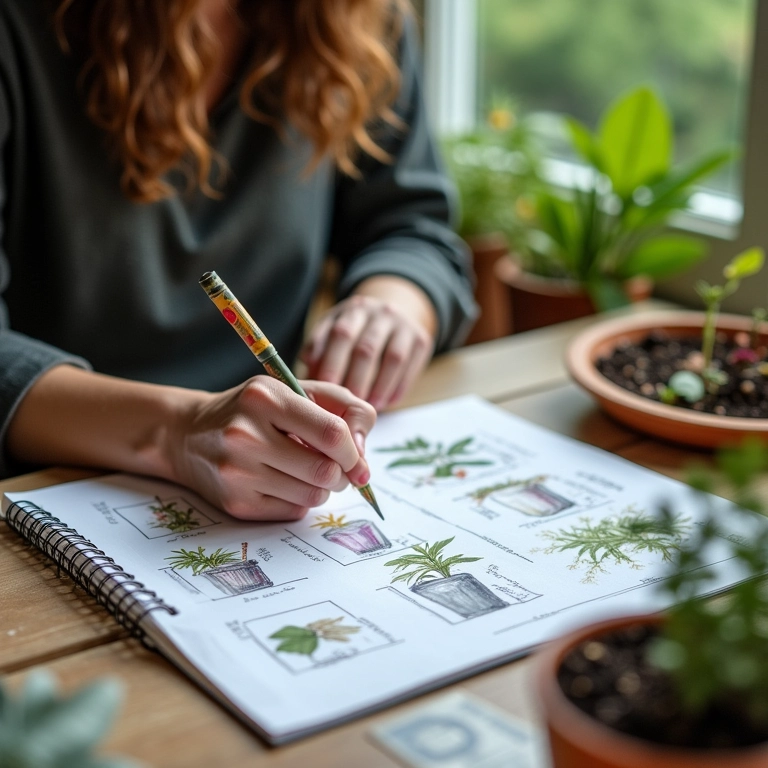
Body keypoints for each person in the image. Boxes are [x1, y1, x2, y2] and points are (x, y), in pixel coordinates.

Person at [0, 0, 477, 520]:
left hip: (269, 473)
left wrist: (392, 302)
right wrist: (178, 433)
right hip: (41, 490)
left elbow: (410, 225)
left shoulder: (360, 17)